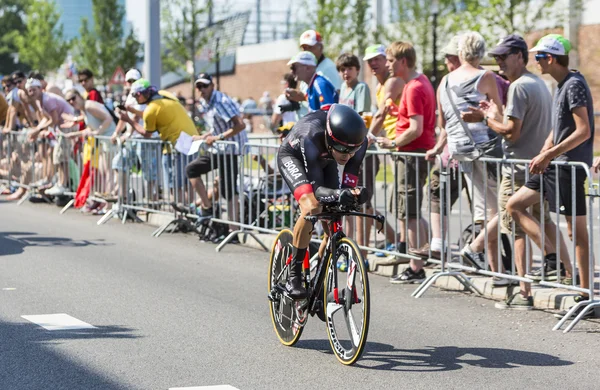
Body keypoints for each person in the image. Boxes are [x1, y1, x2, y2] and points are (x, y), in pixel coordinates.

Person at [460, 34, 572, 304]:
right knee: (543, 220)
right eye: (496, 58)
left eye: (503, 57)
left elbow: (512, 132)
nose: (499, 63)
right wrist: (495, 116)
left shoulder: (519, 86)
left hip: (519, 167)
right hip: (536, 164)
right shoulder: (538, 83)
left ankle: (525, 290)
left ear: (520, 56)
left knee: (516, 226)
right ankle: (571, 275)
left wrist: (487, 118)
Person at [506, 35, 595, 318]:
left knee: (576, 232)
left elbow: (583, 131)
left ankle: (585, 296)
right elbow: (559, 128)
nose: (536, 60)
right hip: (554, 166)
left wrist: (549, 154)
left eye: (540, 56)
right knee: (514, 205)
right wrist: (545, 151)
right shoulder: (561, 85)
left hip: (568, 168)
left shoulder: (574, 85)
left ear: (552, 58)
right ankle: (552, 256)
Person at [276, 104, 369, 298]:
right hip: (294, 157)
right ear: (330, 137)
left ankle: (318, 282)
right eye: (342, 149)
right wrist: (337, 194)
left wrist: (354, 193)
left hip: (326, 159)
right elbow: (317, 191)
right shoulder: (311, 136)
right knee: (312, 207)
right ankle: (294, 277)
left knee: (334, 222)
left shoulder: (357, 144)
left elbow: (348, 182)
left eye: (353, 150)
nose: (348, 155)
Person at [376, 41, 437, 284]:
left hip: (410, 152)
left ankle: (416, 266)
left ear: (403, 61)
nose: (388, 65)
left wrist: (392, 142)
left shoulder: (412, 87)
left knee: (409, 212)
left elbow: (416, 128)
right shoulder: (420, 83)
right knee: (409, 209)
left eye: (390, 61)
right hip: (413, 151)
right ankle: (423, 254)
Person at [185, 73, 247, 229]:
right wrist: (202, 137)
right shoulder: (207, 102)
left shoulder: (221, 101)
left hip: (231, 149)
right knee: (192, 169)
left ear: (213, 86)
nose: (201, 89)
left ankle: (234, 229)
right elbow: (217, 126)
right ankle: (207, 208)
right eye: (199, 86)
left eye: (205, 86)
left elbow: (240, 125)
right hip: (219, 149)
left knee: (228, 190)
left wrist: (218, 137)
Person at [118, 79, 199, 197]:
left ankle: (182, 211)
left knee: (174, 185)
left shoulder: (150, 110)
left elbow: (147, 133)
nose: (135, 99)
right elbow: (157, 114)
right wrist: (134, 111)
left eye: (135, 96)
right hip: (191, 139)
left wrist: (128, 120)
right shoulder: (164, 94)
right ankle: (191, 210)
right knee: (188, 181)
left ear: (141, 94)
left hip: (176, 146)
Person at [363, 44, 404, 255]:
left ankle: (406, 247)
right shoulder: (379, 87)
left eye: (378, 59)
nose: (373, 64)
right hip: (390, 144)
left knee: (403, 201)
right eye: (370, 61)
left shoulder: (392, 83)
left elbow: (381, 115)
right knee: (398, 200)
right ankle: (399, 242)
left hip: (401, 143)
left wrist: (368, 137)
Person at [336, 52, 374, 258]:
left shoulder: (361, 88)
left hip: (361, 151)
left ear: (357, 70)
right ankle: (349, 247)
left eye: (349, 68)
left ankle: (362, 252)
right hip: (346, 151)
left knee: (361, 201)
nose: (345, 73)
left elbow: (362, 118)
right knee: (349, 201)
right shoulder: (343, 89)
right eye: (342, 69)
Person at [26, 78, 78, 196]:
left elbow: (53, 120)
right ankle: (59, 182)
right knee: (57, 156)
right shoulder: (40, 101)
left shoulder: (47, 99)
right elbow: (47, 118)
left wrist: (38, 130)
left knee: (60, 156)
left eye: (33, 90)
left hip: (67, 126)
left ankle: (63, 184)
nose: (31, 93)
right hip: (61, 127)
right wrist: (36, 130)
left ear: (40, 89)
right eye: (29, 91)